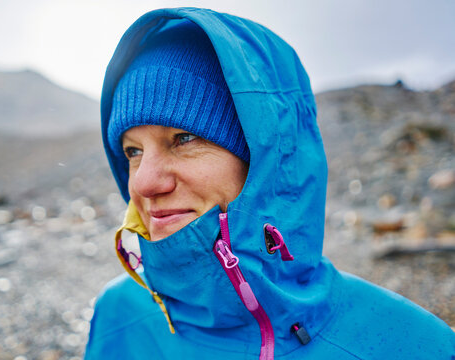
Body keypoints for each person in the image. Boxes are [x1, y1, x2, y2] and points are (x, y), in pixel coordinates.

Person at [84, 7, 455, 359]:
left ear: (267, 161)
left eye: (184, 139)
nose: (145, 183)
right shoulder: (117, 316)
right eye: (133, 152)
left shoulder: (417, 346)